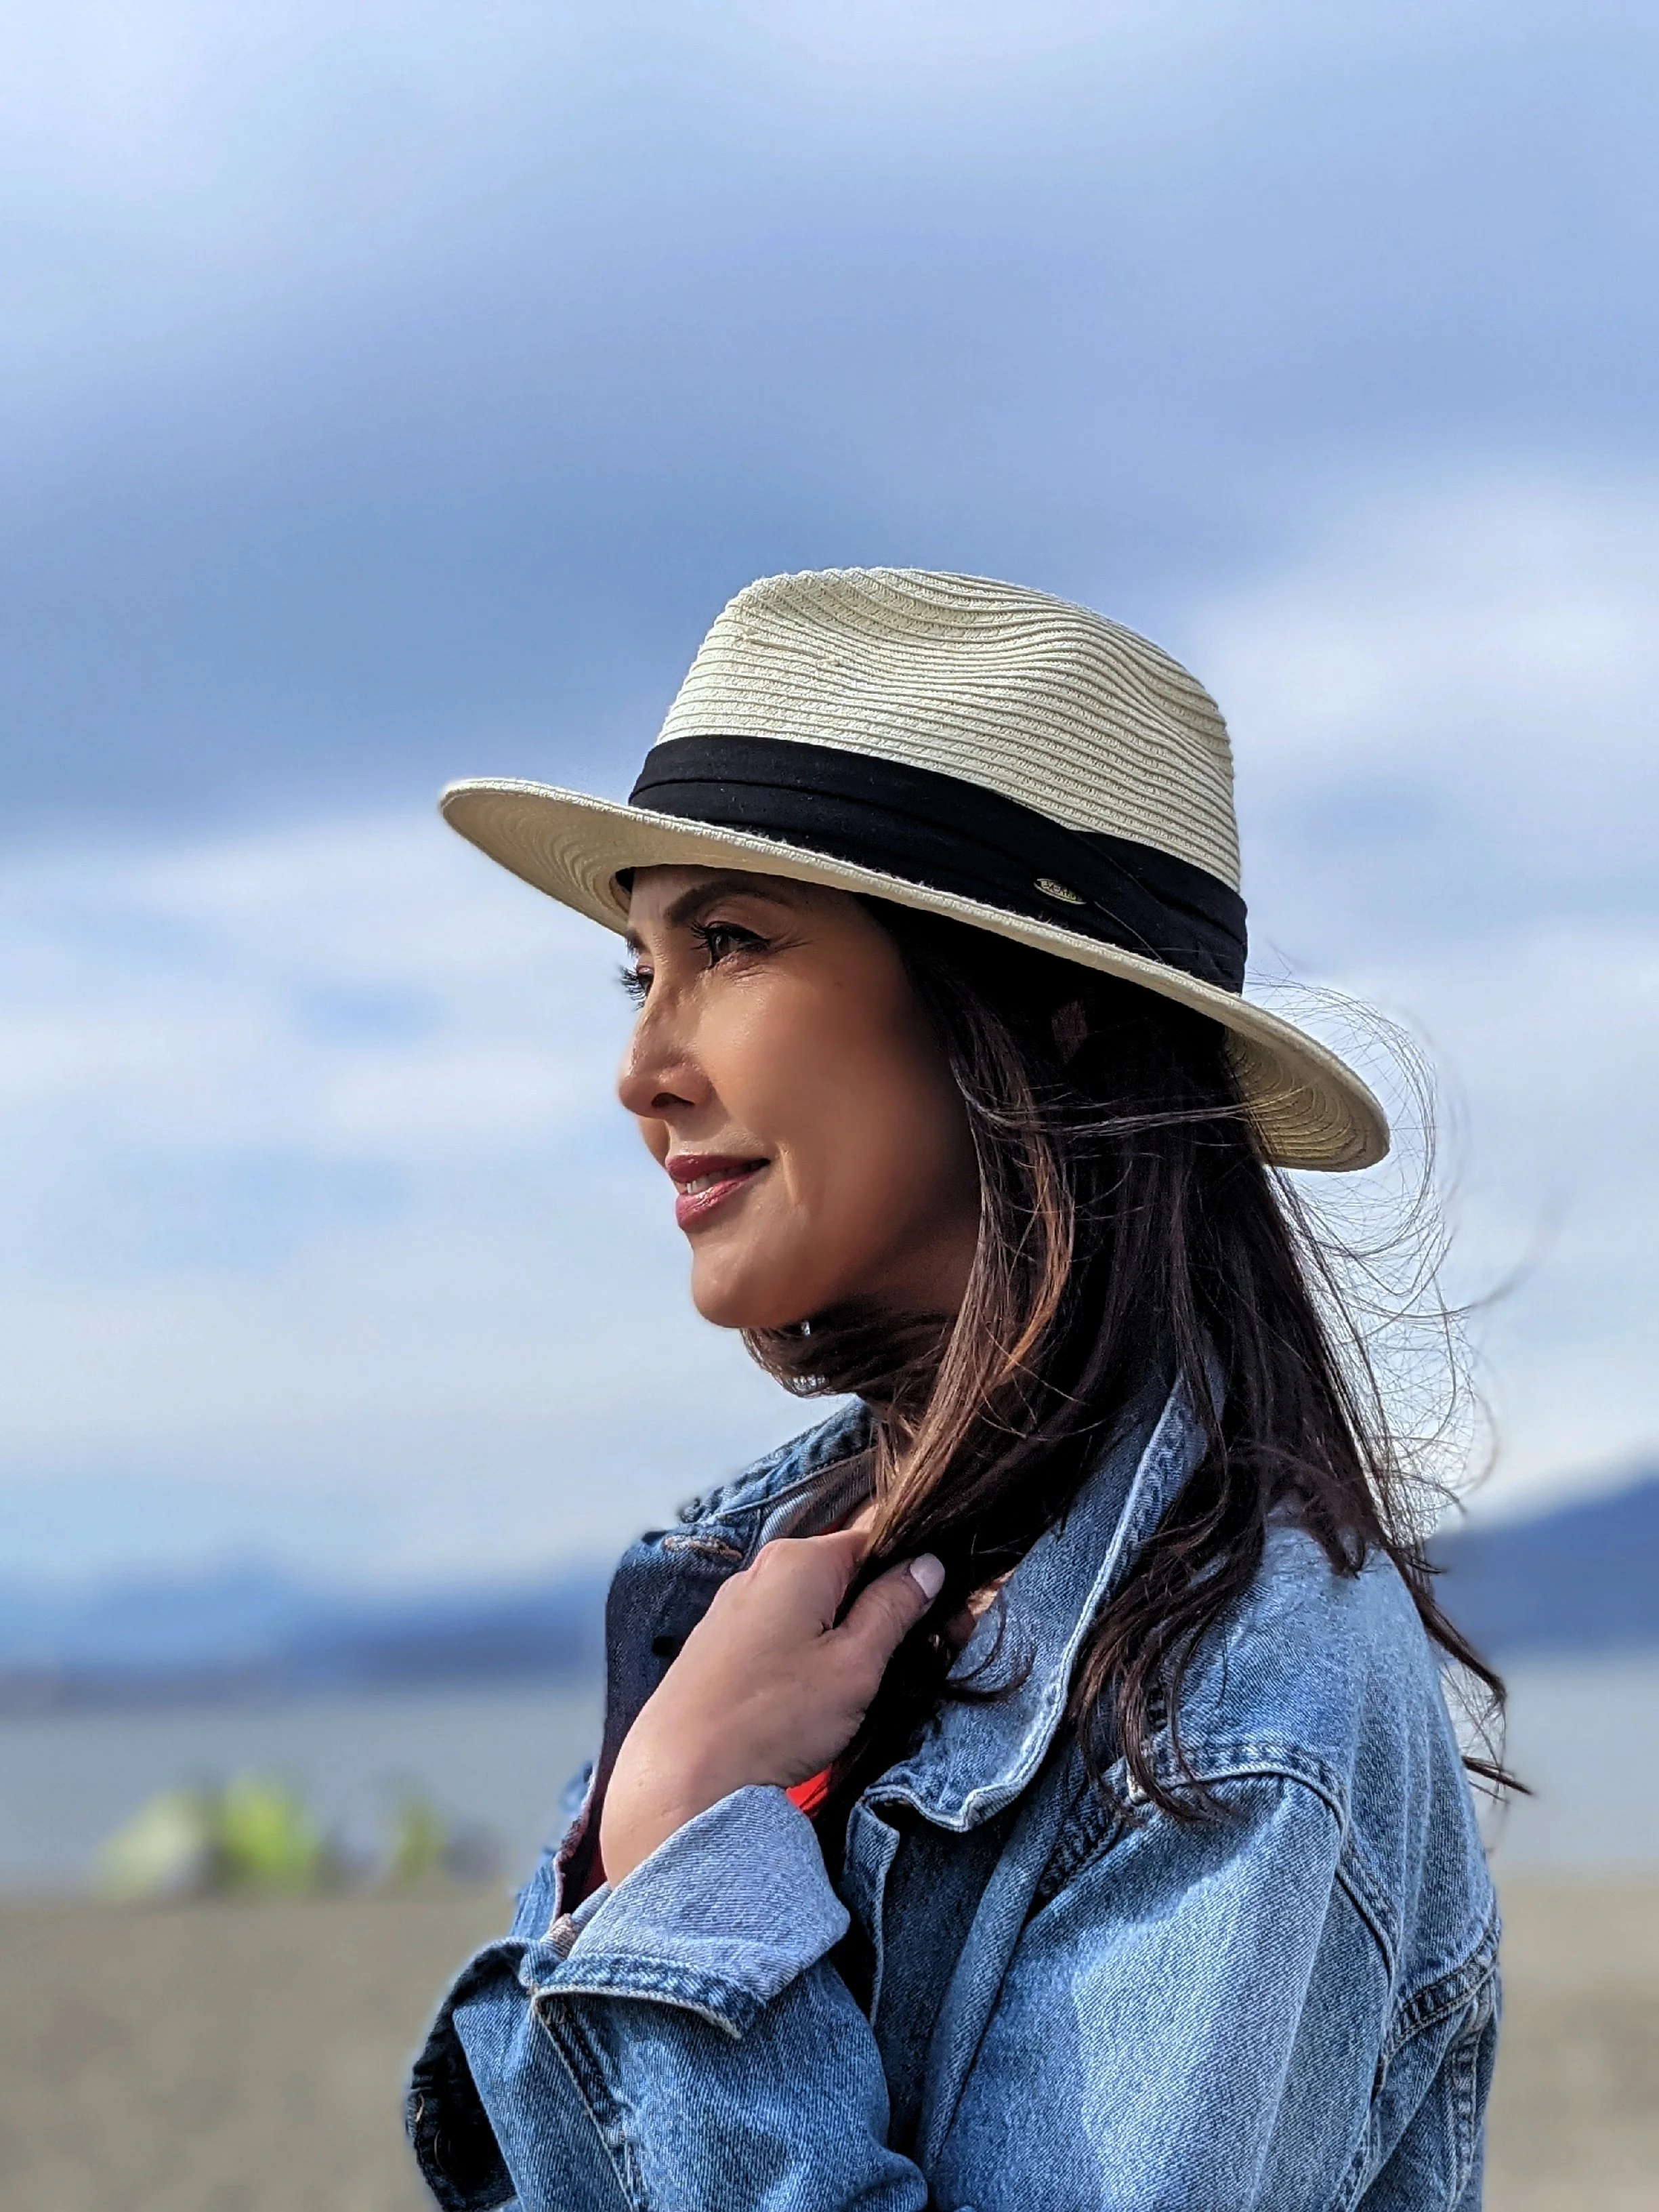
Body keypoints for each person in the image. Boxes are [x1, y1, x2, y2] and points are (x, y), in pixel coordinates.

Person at [406, 568, 1503, 2211]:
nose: (641, 1070)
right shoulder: (752, 1587)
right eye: (638, 971)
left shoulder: (1243, 1702)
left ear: (1043, 1015)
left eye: (728, 942)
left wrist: (680, 1849)